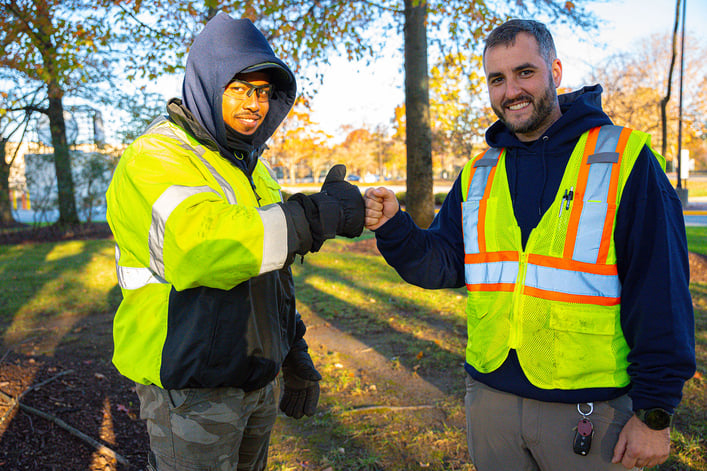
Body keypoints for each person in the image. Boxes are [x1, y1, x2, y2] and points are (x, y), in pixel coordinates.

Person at [364, 19, 695, 471]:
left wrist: (655, 414)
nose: (510, 90)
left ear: (555, 71)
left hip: (591, 413)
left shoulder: (625, 158)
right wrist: (395, 227)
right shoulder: (479, 171)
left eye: (525, 72)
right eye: (496, 79)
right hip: (490, 405)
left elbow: (662, 292)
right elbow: (441, 263)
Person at [106, 12, 364, 471]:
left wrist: (294, 351)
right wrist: (314, 217)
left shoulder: (254, 168)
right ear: (208, 84)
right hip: (192, 393)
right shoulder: (154, 157)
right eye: (241, 88)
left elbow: (272, 273)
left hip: (256, 382)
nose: (256, 104)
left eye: (264, 92)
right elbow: (199, 248)